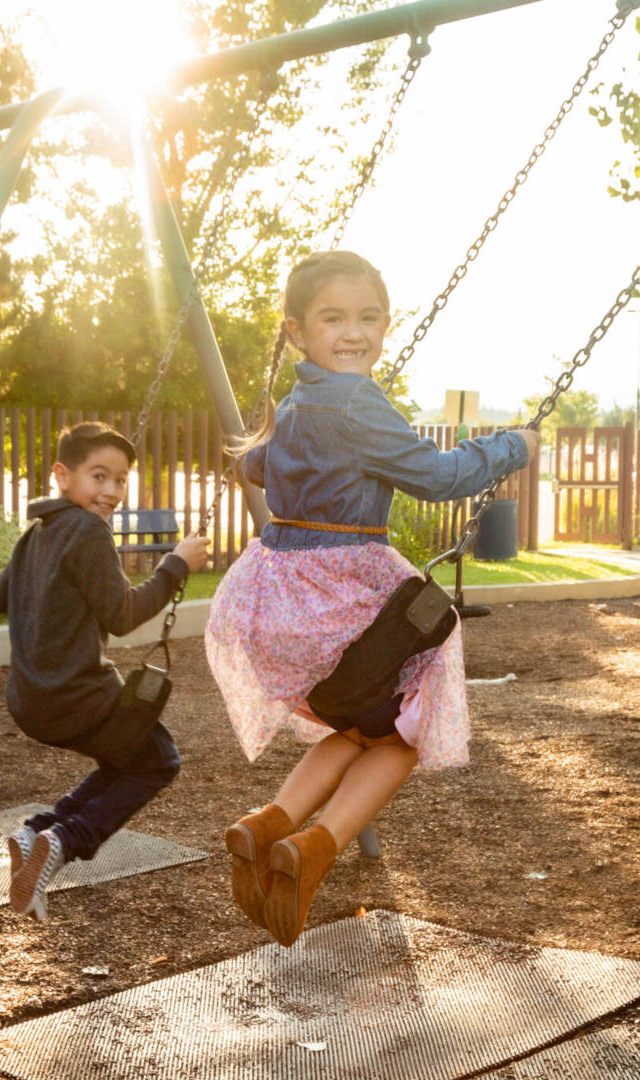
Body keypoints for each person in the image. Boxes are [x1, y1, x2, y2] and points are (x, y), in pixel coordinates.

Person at [205, 250, 531, 947]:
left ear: (385, 323)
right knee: (407, 732)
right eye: (333, 319)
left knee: (354, 728)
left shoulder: (296, 403)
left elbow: (255, 464)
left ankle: (267, 824)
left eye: (368, 318)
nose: (353, 332)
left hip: (274, 598)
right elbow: (437, 476)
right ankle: (315, 849)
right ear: (297, 331)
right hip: (337, 597)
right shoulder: (356, 400)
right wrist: (512, 447)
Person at [0, 421, 210, 921]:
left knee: (125, 759)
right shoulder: (88, 530)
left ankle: (35, 833)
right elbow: (122, 615)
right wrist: (175, 565)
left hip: (30, 700)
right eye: (98, 476)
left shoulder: (37, 533)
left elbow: (0, 597)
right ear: (62, 475)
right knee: (159, 760)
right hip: (76, 697)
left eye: (120, 479)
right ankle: (65, 840)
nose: (111, 491)